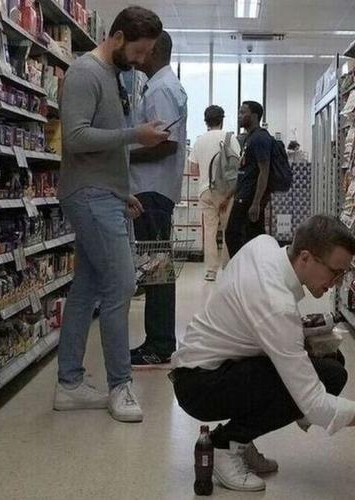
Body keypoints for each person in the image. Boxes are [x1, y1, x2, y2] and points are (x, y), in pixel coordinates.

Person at [170, 214, 355, 492]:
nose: (337, 282)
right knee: (327, 379)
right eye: (335, 272)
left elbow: (252, 317)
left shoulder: (264, 244)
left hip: (208, 363)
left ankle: (242, 436)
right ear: (305, 257)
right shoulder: (277, 305)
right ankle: (226, 445)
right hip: (200, 385)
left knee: (332, 361)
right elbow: (318, 407)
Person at [55, 6, 169, 423]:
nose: (140, 60)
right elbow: (75, 137)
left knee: (87, 289)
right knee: (121, 285)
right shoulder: (85, 73)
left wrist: (122, 193)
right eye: (137, 51)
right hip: (88, 195)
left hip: (104, 194)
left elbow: (104, 146)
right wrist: (135, 134)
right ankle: (120, 385)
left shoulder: (113, 76)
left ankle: (69, 383)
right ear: (118, 37)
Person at [128, 31, 188, 367]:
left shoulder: (161, 89)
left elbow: (167, 143)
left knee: (156, 268)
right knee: (157, 266)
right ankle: (159, 341)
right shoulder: (164, 86)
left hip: (151, 189)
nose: (136, 55)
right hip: (155, 189)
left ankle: (159, 343)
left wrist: (122, 155)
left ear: (152, 50)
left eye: (141, 48)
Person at [191, 105, 240, 282]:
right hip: (226, 192)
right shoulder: (230, 138)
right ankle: (227, 268)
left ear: (206, 121)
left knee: (210, 231)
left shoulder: (199, 141)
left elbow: (193, 169)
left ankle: (211, 271)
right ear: (222, 120)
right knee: (228, 230)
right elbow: (237, 163)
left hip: (205, 191)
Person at [225, 101, 271, 257]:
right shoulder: (249, 138)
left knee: (233, 234)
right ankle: (252, 267)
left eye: (243, 112)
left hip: (249, 198)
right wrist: (230, 194)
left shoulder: (260, 138)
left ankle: (242, 266)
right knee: (252, 236)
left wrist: (256, 202)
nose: (239, 116)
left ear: (255, 116)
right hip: (243, 194)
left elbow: (264, 171)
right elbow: (245, 172)